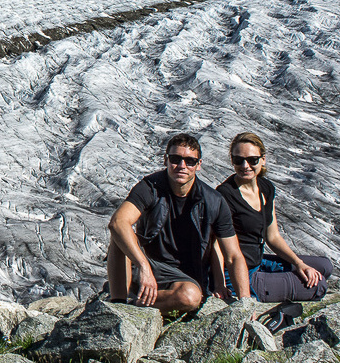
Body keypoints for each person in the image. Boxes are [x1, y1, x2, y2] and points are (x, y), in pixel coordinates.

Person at [106, 133, 251, 311]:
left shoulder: (214, 201)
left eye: (190, 161)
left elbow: (233, 255)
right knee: (119, 236)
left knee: (189, 296)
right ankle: (118, 305)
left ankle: (133, 306)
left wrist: (246, 303)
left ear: (198, 165)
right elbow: (118, 222)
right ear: (165, 160)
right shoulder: (150, 187)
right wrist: (144, 266)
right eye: (176, 159)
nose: (182, 166)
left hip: (185, 278)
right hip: (148, 265)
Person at [215, 132, 334, 303]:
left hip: (257, 261)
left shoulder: (266, 188)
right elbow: (217, 245)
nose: (245, 165)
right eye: (238, 160)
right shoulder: (225, 195)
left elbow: (272, 236)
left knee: (325, 266)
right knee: (319, 286)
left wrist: (299, 263)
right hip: (238, 273)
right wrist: (221, 284)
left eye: (252, 160)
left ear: (263, 159)